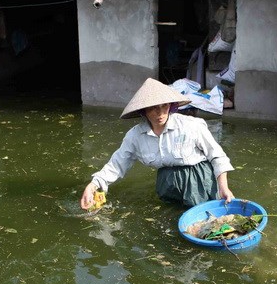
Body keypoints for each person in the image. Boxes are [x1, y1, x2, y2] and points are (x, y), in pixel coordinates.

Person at [80, 78, 235, 210]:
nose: (160, 113)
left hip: (198, 180)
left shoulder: (191, 125)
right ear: (144, 111)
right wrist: (93, 185)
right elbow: (117, 164)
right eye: (154, 108)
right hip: (167, 183)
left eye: (164, 106)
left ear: (171, 106)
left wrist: (223, 187)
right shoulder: (135, 136)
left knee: (202, 217)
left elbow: (217, 156)